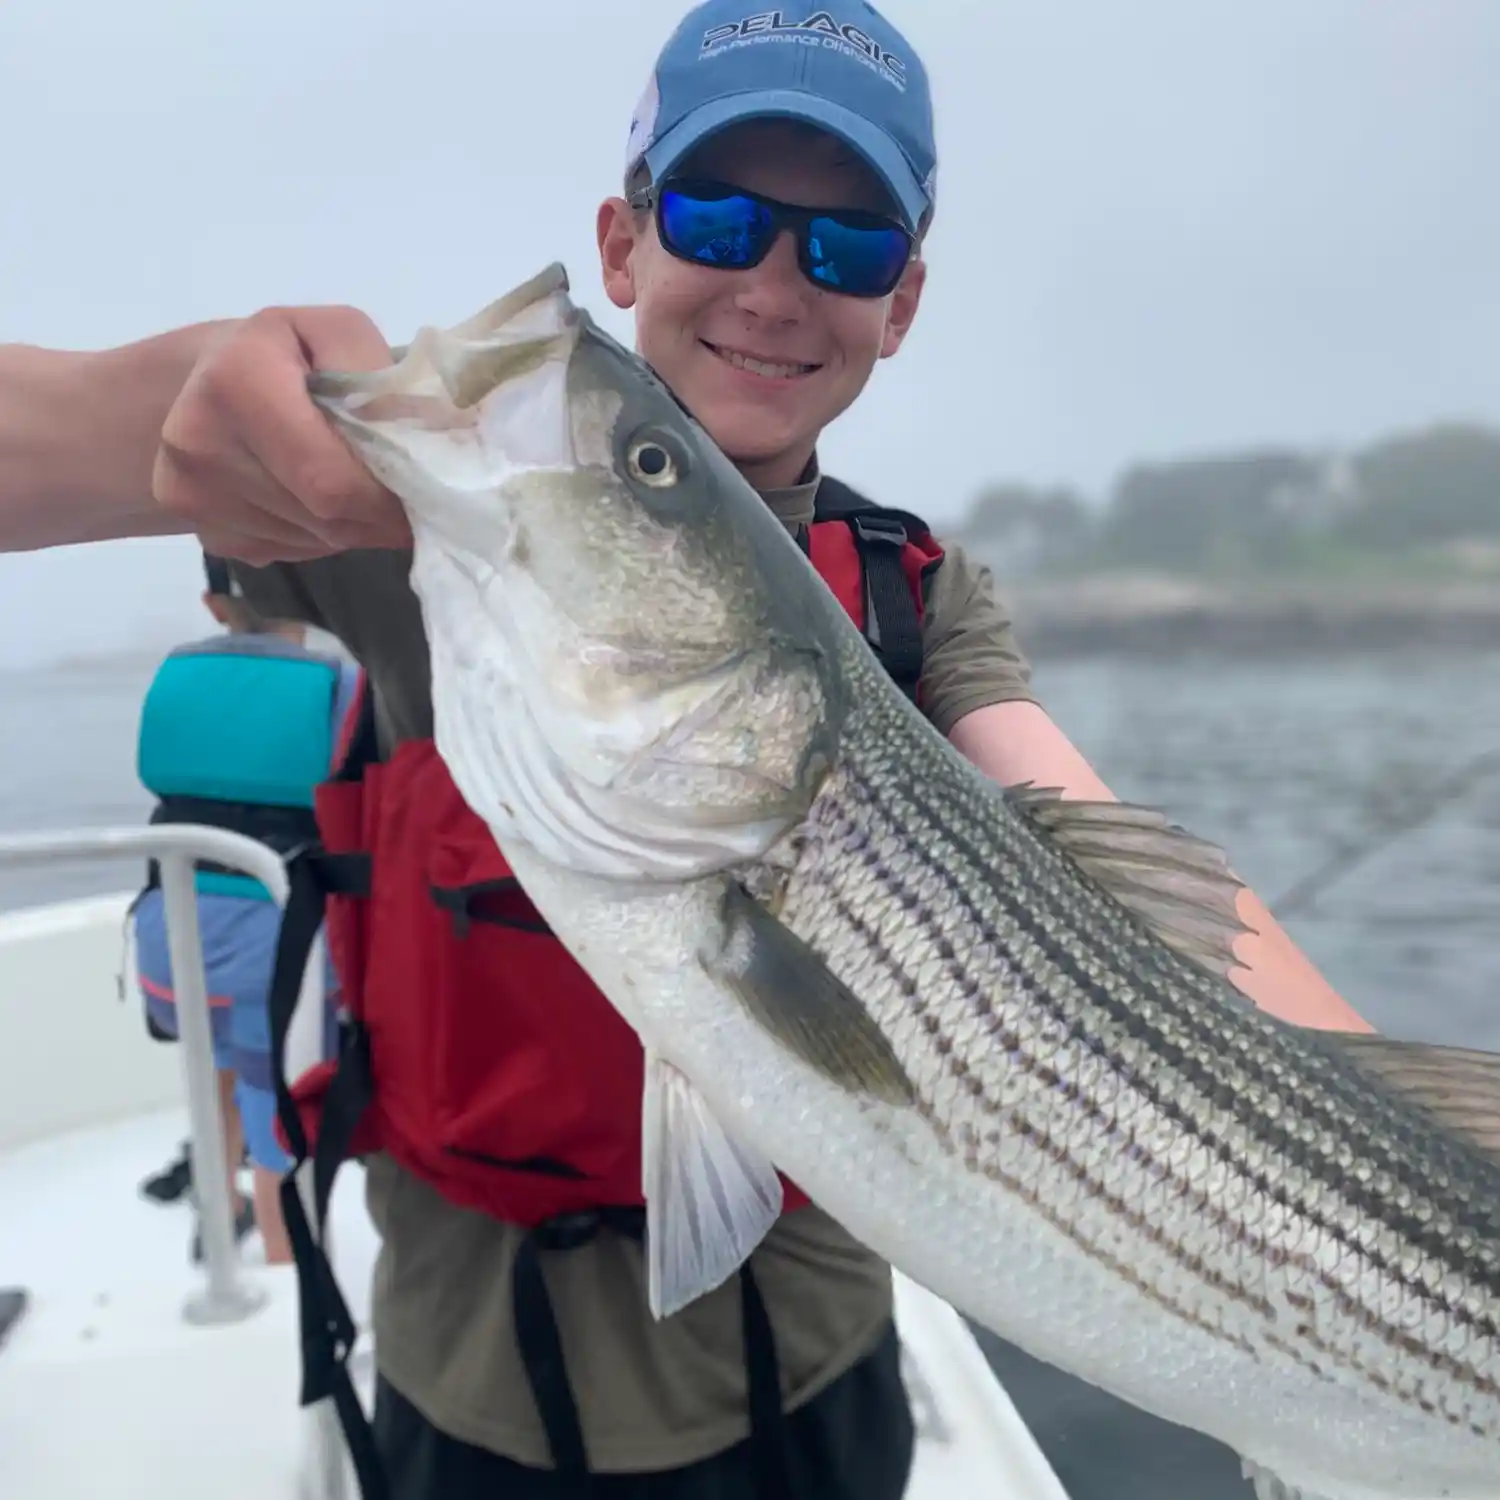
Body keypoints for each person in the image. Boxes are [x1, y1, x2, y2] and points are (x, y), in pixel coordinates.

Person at [0, 1, 1372, 1494]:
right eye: (720, 217)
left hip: (804, 1393)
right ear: (622, 245)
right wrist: (148, 409)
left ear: (898, 306)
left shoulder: (921, 600)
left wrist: (1415, 1160)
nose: (776, 288)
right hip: (464, 1385)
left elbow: (1158, 902)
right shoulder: (448, 526)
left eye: (842, 249)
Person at [131, 552, 361, 1264]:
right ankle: (286, 1272)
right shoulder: (338, 685)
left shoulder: (176, 672)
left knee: (218, 1070)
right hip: (279, 954)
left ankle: (218, 1208)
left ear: (213, 605)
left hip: (170, 942)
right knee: (278, 1117)